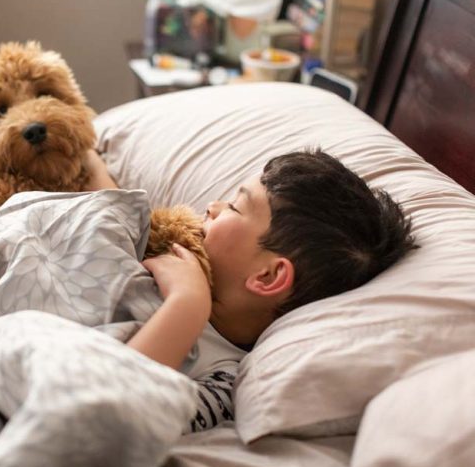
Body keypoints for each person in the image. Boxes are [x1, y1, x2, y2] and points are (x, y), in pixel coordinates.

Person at [84, 148, 418, 431]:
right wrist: (90, 160)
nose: (212, 206)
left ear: (268, 275)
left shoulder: (224, 383)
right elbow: (109, 214)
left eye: (234, 207)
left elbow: (101, 420)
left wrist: (187, 304)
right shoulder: (167, 246)